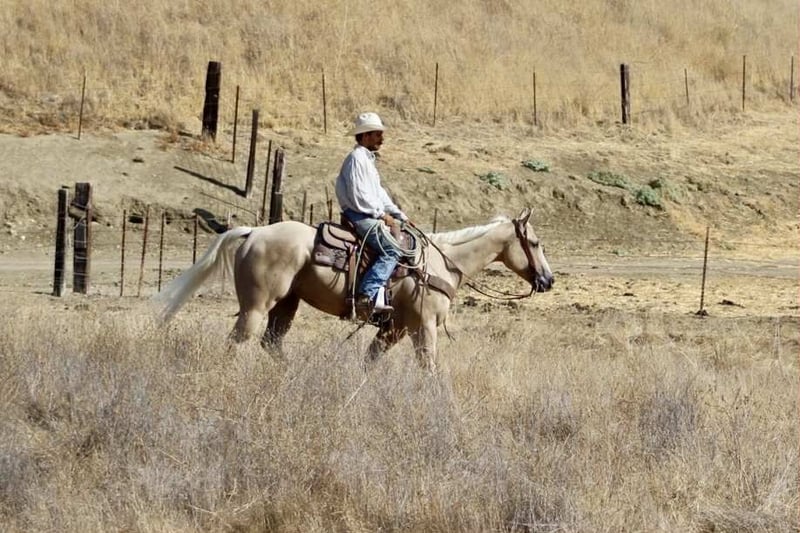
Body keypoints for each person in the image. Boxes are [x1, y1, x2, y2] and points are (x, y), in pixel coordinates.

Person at [335, 112, 409, 317]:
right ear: (366, 136)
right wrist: (381, 215)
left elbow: (379, 194)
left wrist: (399, 214)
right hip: (360, 215)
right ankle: (366, 295)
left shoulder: (367, 160)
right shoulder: (357, 159)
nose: (382, 139)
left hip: (366, 213)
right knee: (392, 250)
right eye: (378, 134)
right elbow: (359, 195)